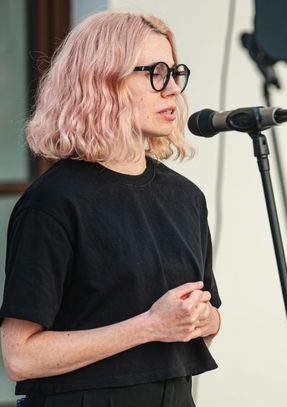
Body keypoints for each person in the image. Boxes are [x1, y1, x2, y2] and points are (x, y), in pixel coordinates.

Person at [0, 11, 221, 407]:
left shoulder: (186, 196)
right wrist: (150, 326)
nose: (172, 89)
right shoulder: (53, 202)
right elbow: (20, 357)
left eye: (175, 73)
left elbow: (205, 325)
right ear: (102, 81)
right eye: (156, 73)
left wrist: (204, 319)